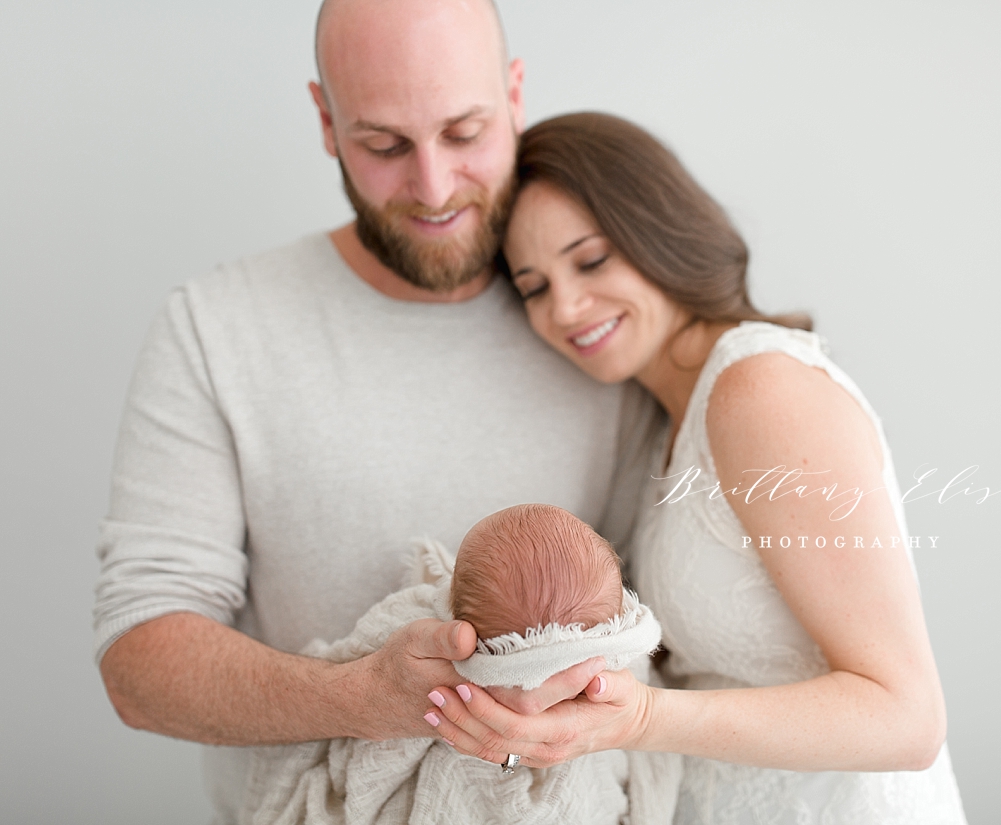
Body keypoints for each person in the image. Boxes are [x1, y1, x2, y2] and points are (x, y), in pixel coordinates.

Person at [92, 2, 656, 821]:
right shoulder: (217, 326)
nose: (431, 187)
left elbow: (672, 626)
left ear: (514, 96)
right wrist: (360, 697)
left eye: (464, 133)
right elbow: (138, 660)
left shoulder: (594, 322)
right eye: (384, 145)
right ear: (326, 120)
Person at [421, 113, 970, 824]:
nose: (565, 306)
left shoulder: (760, 388)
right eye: (533, 286)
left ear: (657, 229)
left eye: (589, 260)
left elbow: (907, 717)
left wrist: (642, 717)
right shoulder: (666, 426)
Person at [241, 504, 678, 825]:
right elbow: (641, 679)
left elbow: (357, 647)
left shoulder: (418, 615)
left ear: (452, 601)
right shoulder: (619, 646)